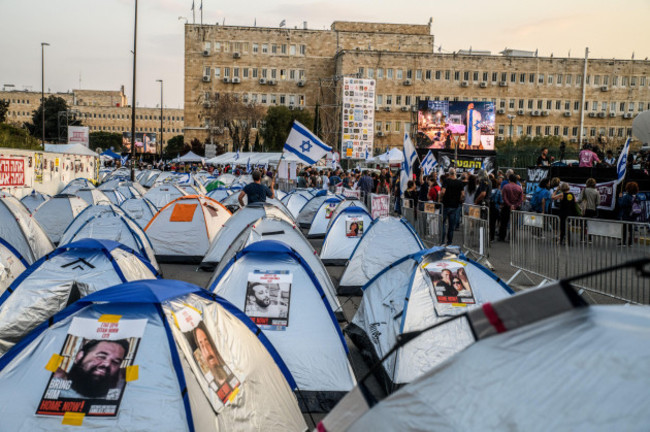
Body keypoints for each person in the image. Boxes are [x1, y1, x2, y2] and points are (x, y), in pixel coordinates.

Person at [54, 339, 129, 399]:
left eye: (115, 362)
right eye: (101, 357)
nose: (107, 364)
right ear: (80, 356)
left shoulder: (124, 388)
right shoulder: (52, 380)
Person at [439, 168, 465, 245]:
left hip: (446, 205)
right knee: (451, 226)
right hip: (454, 206)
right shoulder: (459, 182)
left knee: (443, 223)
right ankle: (449, 242)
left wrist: (440, 198)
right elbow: (463, 194)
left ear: (449, 174)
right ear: (455, 173)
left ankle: (442, 241)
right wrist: (459, 199)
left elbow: (443, 192)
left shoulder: (446, 181)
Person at [498, 174, 524, 242]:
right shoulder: (519, 188)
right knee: (514, 223)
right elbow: (521, 199)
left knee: (504, 223)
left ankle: (502, 237)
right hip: (516, 207)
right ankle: (511, 237)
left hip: (506, 207)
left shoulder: (505, 187)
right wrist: (515, 205)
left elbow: (504, 197)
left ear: (509, 180)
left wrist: (510, 205)